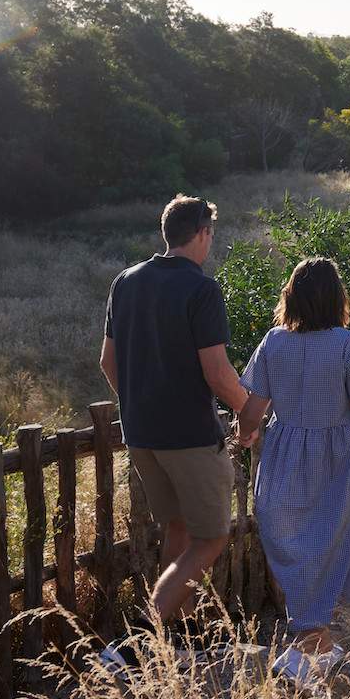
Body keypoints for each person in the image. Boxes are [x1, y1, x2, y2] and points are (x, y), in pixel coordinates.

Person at [235, 257, 350, 690]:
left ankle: (318, 646)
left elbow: (252, 412)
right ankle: (303, 656)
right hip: (335, 468)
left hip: (282, 466)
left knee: (303, 551)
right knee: (330, 546)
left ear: (291, 297)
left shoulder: (273, 343)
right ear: (336, 300)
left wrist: (244, 435)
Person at [97, 195, 247, 672]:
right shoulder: (202, 290)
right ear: (201, 233)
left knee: (178, 528)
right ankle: (139, 635)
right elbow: (219, 374)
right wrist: (252, 411)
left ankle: (181, 638)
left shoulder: (126, 282)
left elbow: (107, 362)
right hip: (189, 433)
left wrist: (141, 404)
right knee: (212, 537)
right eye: (211, 236)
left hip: (141, 434)